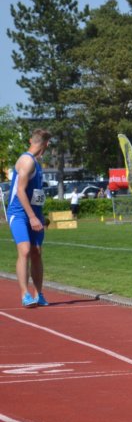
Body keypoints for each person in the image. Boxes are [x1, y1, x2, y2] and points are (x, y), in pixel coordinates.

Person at [6, 129, 52, 307]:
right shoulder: (27, 161)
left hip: (35, 214)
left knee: (36, 252)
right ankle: (25, 294)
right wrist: (32, 217)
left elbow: (36, 194)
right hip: (18, 213)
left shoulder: (36, 163)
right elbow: (20, 191)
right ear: (46, 144)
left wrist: (40, 215)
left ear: (31, 141)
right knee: (25, 250)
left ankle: (38, 294)